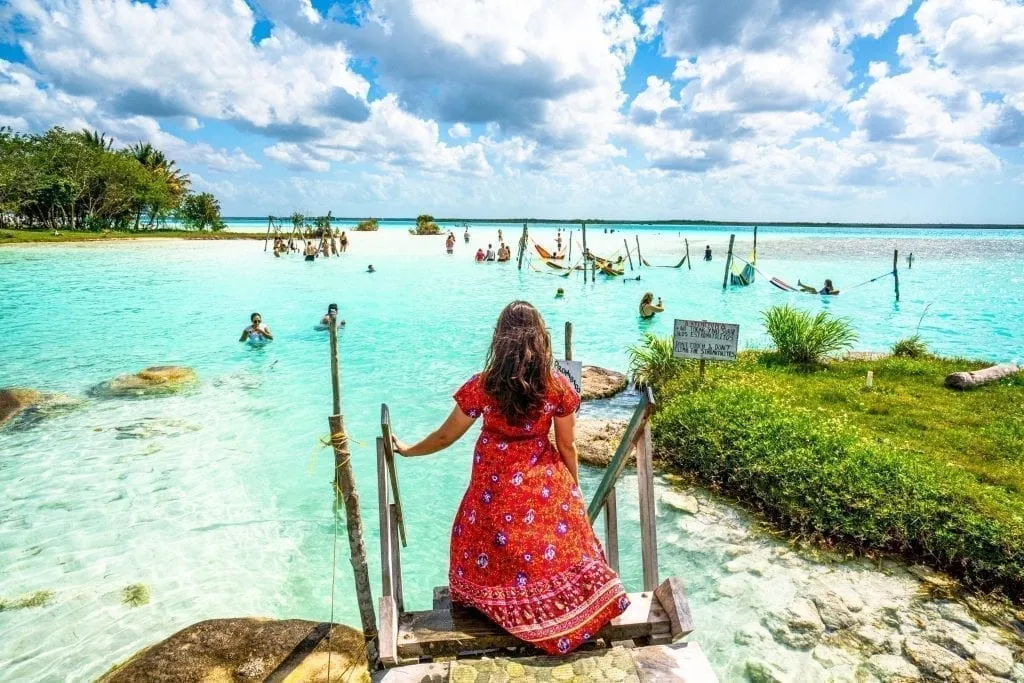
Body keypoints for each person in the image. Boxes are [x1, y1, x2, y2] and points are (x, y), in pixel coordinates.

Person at [390, 302, 628, 655]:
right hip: (541, 480)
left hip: (494, 486)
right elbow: (567, 444)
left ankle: (490, 601)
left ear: (499, 341)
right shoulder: (557, 386)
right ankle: (571, 606)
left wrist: (409, 450)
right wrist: (573, 490)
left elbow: (445, 436)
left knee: (475, 533)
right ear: (542, 339)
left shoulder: (484, 386)